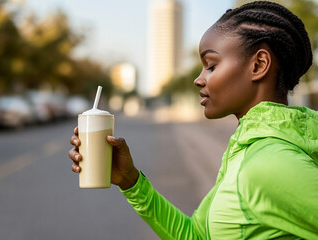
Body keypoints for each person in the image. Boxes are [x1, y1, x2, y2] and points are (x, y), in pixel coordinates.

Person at [69, 1, 318, 239]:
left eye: (211, 66)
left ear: (258, 65)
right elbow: (197, 236)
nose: (198, 79)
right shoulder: (248, 148)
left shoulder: (269, 164)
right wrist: (131, 182)